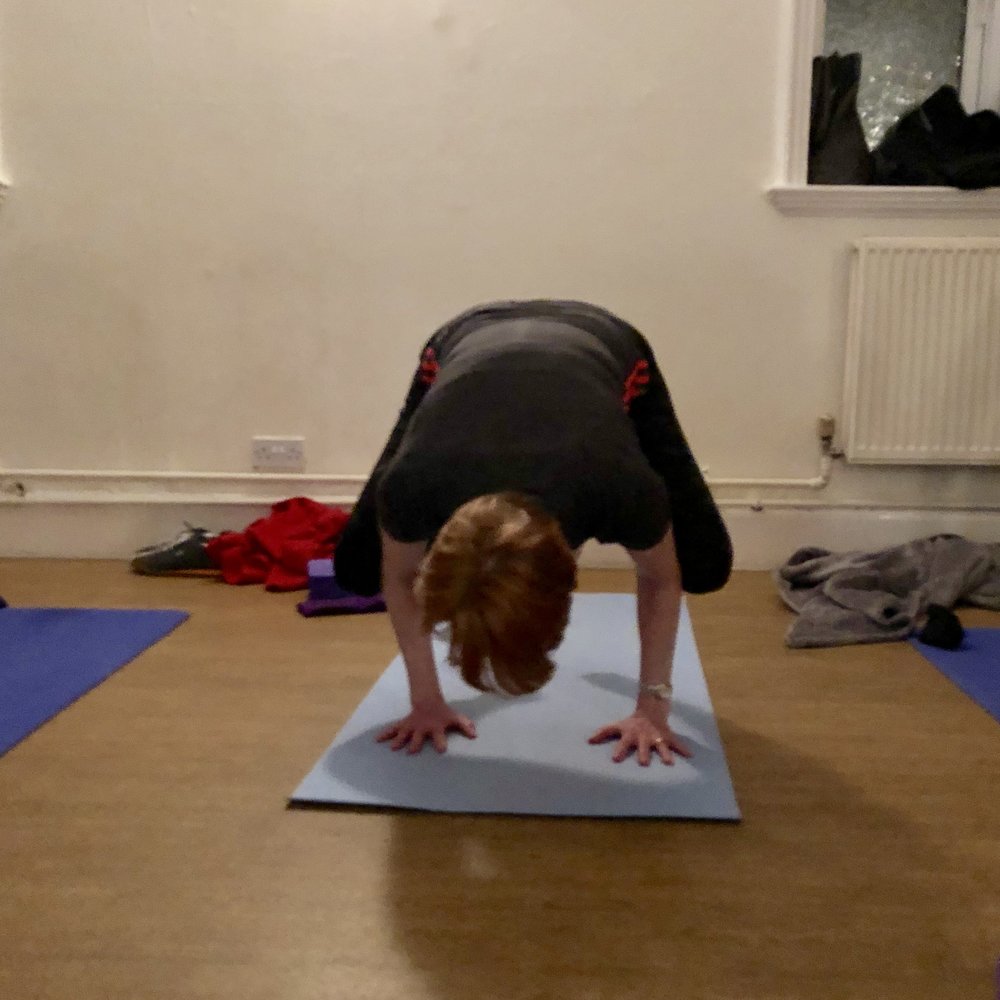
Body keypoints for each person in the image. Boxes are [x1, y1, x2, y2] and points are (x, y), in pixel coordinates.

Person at [334, 300, 732, 766]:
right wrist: (426, 700)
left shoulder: (619, 484)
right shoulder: (411, 482)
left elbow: (662, 579)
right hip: (463, 340)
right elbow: (400, 578)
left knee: (703, 563)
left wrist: (653, 707)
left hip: (603, 341)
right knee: (357, 567)